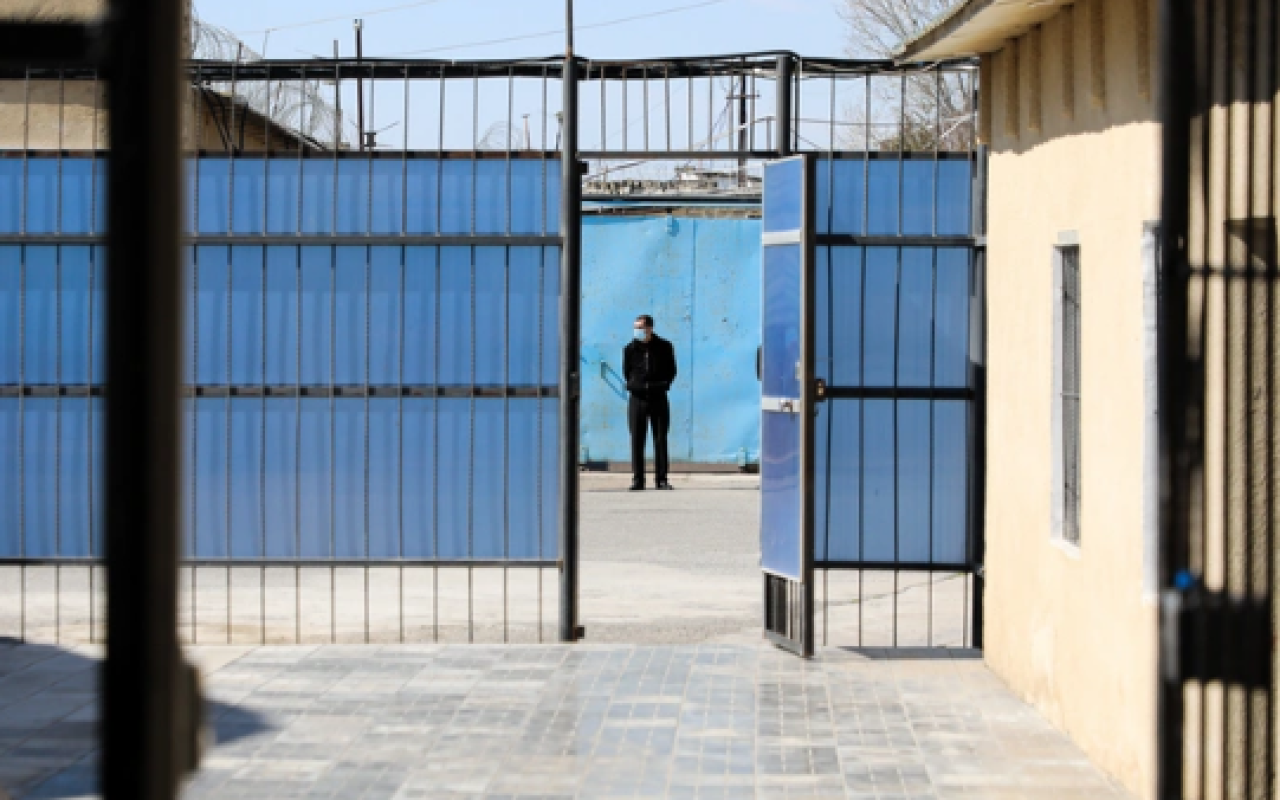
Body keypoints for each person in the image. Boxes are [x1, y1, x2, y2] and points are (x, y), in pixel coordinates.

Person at [623, 314, 677, 491]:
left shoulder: (664, 347)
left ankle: (661, 479)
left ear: (650, 328)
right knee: (637, 439)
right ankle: (638, 480)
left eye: (640, 327)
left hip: (658, 397)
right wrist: (636, 386)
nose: (637, 331)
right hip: (637, 399)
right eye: (635, 327)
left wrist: (662, 385)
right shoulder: (630, 349)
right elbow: (627, 372)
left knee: (660, 439)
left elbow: (671, 371)